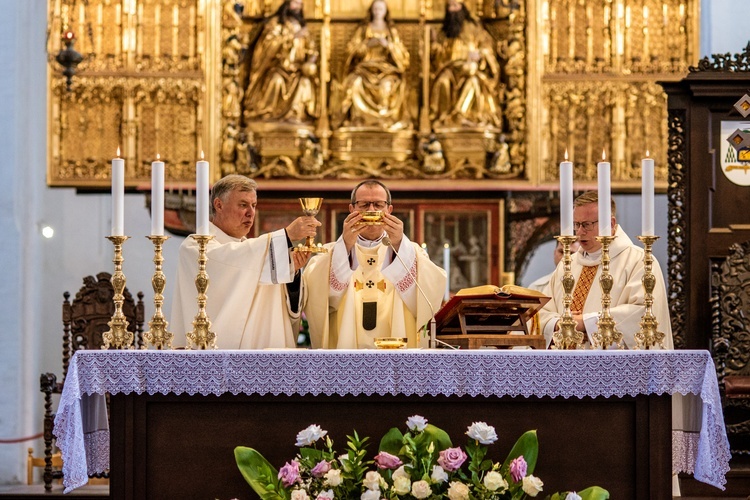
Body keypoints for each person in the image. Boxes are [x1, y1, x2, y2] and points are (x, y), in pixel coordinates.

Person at [170, 175, 321, 349]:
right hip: (215, 358)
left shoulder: (257, 252)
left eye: (254, 205)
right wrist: (285, 236)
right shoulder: (195, 246)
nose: (250, 212)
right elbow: (226, 262)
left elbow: (281, 305)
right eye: (243, 205)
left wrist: (291, 270)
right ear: (218, 205)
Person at [302, 180, 447, 349]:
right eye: (364, 205)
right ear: (352, 209)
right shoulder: (330, 253)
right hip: (345, 348)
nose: (371, 211)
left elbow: (429, 294)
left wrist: (400, 244)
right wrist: (345, 247)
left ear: (389, 210)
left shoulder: (410, 252)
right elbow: (319, 299)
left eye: (378, 205)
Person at [537, 191, 673, 349]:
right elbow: (542, 311)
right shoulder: (568, 264)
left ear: (611, 224)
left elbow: (644, 314)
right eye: (576, 224)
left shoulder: (639, 262)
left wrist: (585, 323)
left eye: (587, 225)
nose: (580, 232)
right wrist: (558, 323)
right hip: (564, 365)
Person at [336, 0, 411, 131]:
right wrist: (366, 46)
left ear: (386, 12)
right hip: (365, 68)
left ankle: (384, 120)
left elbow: (402, 54)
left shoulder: (391, 31)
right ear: (371, 11)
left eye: (381, 9)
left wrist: (388, 46)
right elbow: (351, 50)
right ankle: (359, 119)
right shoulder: (364, 29)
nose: (377, 12)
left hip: (386, 70)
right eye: (375, 9)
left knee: (387, 86)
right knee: (355, 83)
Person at [429, 0, 502, 130]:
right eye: (450, 6)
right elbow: (438, 56)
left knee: (473, 80)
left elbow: (487, 46)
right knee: (442, 81)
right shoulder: (445, 32)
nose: (453, 10)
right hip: (450, 69)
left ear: (462, 8)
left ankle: (460, 115)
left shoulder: (474, 28)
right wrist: (433, 45)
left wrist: (479, 54)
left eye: (455, 6)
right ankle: (444, 118)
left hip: (469, 68)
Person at [243, 0, 318, 124]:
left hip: (297, 71)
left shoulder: (302, 27)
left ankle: (295, 115)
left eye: (300, 4)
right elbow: (268, 44)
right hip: (278, 68)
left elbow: (312, 49)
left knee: (304, 83)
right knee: (276, 81)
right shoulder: (276, 23)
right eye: (295, 3)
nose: (297, 7)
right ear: (287, 4)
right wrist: (292, 38)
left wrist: (311, 60)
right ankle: (269, 114)